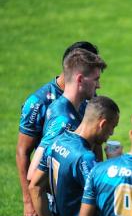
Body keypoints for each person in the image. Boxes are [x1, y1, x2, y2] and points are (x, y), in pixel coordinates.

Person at [16, 41, 98, 216]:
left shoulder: (87, 99)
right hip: (51, 200)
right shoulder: (40, 103)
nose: (99, 85)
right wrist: (28, 201)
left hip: (76, 197)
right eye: (96, 77)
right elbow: (23, 152)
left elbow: (93, 143)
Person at [29, 96, 120, 216]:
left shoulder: (57, 142)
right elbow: (109, 199)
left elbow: (35, 186)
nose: (111, 133)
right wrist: (114, 165)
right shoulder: (85, 157)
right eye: (112, 127)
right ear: (102, 123)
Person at [27, 47, 106, 181]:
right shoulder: (63, 121)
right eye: (95, 79)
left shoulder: (63, 106)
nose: (98, 85)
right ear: (80, 79)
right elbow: (33, 175)